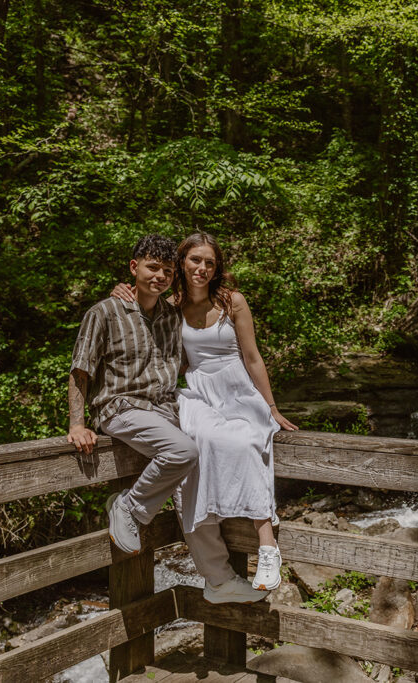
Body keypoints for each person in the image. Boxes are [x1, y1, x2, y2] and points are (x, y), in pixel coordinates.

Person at [67, 233, 267, 604]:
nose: (159, 275)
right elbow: (81, 370)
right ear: (134, 268)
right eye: (151, 268)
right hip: (121, 407)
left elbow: (206, 348)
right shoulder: (105, 312)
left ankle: (219, 580)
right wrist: (76, 424)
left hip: (164, 408)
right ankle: (129, 507)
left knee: (195, 480)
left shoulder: (172, 315)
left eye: (166, 270)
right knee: (183, 451)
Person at [113, 231, 297, 592]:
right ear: (183, 262)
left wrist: (271, 407)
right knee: (200, 442)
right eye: (195, 260)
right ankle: (215, 558)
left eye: (210, 262)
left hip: (237, 388)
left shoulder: (233, 302)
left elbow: (253, 357)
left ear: (217, 268)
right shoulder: (173, 304)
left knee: (248, 442)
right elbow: (140, 304)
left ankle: (267, 546)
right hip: (197, 390)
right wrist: (119, 290)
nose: (202, 267)